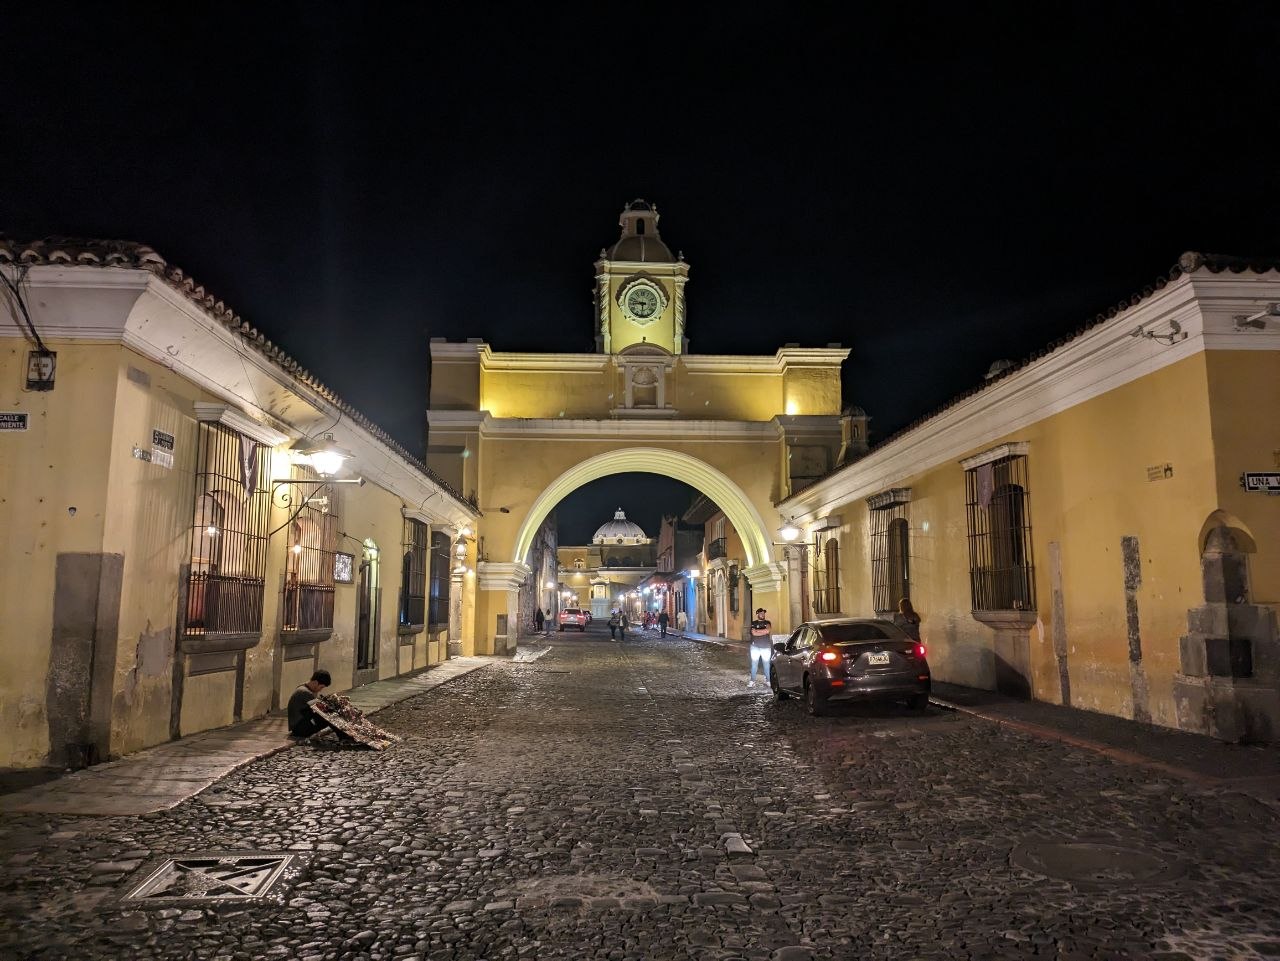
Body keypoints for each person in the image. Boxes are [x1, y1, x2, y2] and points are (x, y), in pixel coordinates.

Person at [287, 670, 353, 742]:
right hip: (299, 729)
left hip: (299, 725)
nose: (320, 690)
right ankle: (344, 737)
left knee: (330, 713)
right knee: (329, 715)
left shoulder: (303, 687)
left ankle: (344, 735)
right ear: (315, 682)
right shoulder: (305, 692)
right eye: (321, 687)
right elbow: (320, 710)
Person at [748, 608, 772, 688]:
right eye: (761, 613)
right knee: (754, 664)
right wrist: (763, 631)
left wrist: (758, 631)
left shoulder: (767, 622)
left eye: (763, 613)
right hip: (755, 647)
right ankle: (752, 681)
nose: (763, 615)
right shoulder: (753, 623)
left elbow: (768, 631)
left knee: (766, 664)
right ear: (757, 614)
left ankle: (768, 680)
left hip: (766, 647)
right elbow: (753, 633)